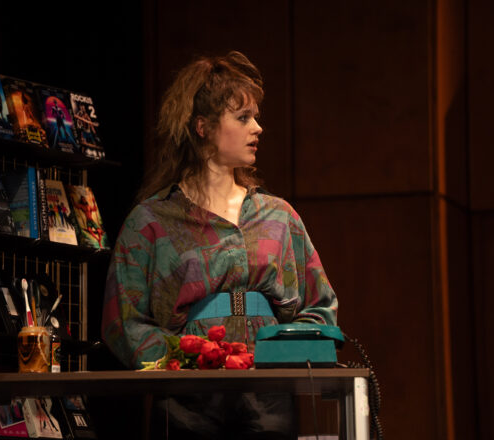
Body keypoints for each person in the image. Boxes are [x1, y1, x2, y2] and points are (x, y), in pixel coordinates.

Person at [101, 51, 338, 439]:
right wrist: (179, 359)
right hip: (188, 397)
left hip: (268, 391)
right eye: (243, 118)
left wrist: (284, 352)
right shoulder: (152, 221)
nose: (258, 128)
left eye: (255, 117)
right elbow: (121, 319)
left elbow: (320, 305)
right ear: (203, 127)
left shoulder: (278, 217)